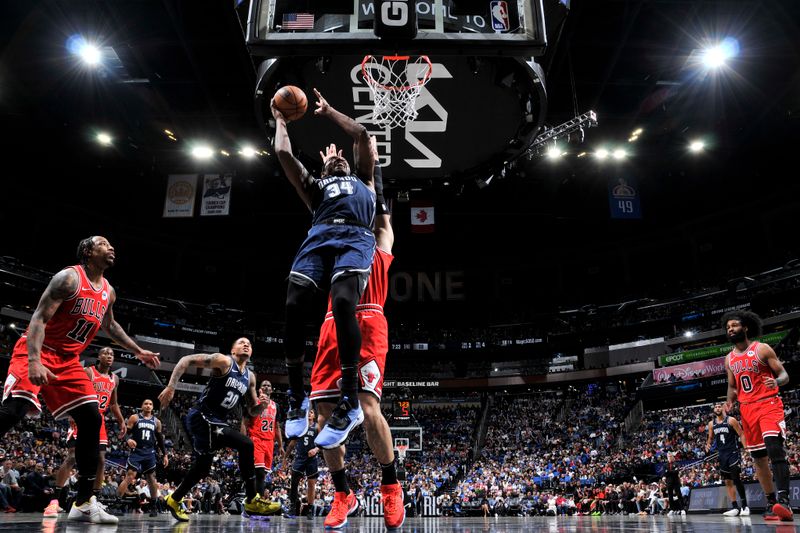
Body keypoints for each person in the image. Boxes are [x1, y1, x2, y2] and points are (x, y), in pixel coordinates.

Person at [0, 235, 160, 524]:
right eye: (104, 244)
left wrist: (138, 351)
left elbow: (110, 325)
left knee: (91, 418)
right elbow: (38, 319)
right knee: (13, 412)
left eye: (112, 245)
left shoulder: (108, 291)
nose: (111, 247)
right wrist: (35, 360)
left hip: (68, 361)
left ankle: (84, 502)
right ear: (88, 251)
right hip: (37, 349)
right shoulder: (69, 278)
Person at [271, 88, 378, 447]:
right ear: (323, 168)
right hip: (319, 235)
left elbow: (362, 135)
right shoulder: (315, 188)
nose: (339, 160)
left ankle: (350, 399)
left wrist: (330, 111)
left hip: (356, 238)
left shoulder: (365, 179)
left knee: (344, 303)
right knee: (293, 304)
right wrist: (281, 120)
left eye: (342, 160)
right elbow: (283, 152)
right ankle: (297, 396)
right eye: (333, 162)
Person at [311, 140, 403, 530]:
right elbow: (323, 204)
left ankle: (390, 484)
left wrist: (374, 170)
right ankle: (342, 491)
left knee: (367, 406)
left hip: (368, 323)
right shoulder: (331, 234)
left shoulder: (379, 243)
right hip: (332, 324)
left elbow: (381, 213)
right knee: (325, 415)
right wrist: (332, 170)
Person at [158, 337, 281, 521]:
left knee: (202, 468)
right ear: (232, 350)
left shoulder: (250, 377)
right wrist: (171, 386)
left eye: (249, 343)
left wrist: (262, 406)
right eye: (241, 342)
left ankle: (174, 499)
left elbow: (252, 410)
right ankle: (252, 499)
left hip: (216, 421)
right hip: (201, 416)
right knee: (246, 444)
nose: (246, 344)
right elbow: (186, 361)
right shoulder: (224, 361)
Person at [724, 310, 793, 521]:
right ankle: (772, 503)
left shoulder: (762, 349)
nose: (731, 329)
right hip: (747, 410)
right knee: (759, 459)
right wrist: (729, 401)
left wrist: (777, 382)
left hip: (768, 403)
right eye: (728, 327)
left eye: (734, 325)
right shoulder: (729, 358)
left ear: (745, 327)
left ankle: (784, 502)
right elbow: (732, 386)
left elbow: (784, 374)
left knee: (774, 446)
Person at [46, 346, 125, 517]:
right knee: (73, 456)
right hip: (82, 415)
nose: (109, 356)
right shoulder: (88, 372)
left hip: (100, 419)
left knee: (101, 460)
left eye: (112, 354)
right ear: (99, 356)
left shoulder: (115, 379)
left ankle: (93, 500)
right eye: (105, 353)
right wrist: (72, 413)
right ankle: (54, 501)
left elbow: (113, 404)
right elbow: (73, 392)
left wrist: (121, 420)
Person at [116, 399, 168, 517]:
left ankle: (154, 505)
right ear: (142, 406)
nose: (148, 406)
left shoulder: (156, 422)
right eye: (146, 403)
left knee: (151, 479)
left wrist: (165, 454)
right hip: (137, 451)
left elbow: (160, 440)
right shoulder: (135, 418)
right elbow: (125, 432)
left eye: (150, 404)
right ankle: (117, 503)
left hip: (150, 453)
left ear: (153, 407)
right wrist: (128, 439)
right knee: (130, 476)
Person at [706, 402, 749, 516]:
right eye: (715, 406)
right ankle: (735, 507)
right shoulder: (711, 424)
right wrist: (708, 444)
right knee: (727, 481)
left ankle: (745, 506)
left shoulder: (731, 420)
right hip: (722, 455)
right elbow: (710, 437)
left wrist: (746, 449)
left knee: (736, 478)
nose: (717, 408)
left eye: (719, 406)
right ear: (714, 410)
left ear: (723, 408)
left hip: (733, 452)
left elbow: (741, 434)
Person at [241, 380, 284, 497]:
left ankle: (254, 500)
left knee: (263, 474)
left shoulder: (276, 406)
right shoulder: (254, 402)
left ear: (271, 390)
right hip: (256, 440)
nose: (266, 387)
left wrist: (280, 445)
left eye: (268, 385)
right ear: (260, 388)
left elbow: (276, 426)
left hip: (270, 443)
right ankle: (255, 501)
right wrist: (242, 442)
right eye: (263, 385)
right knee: (258, 473)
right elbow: (245, 422)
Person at [282, 409, 320, 519]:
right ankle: (293, 508)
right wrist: (285, 458)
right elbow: (292, 444)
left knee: (311, 484)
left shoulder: (317, 427)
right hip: (300, 458)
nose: (309, 414)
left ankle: (310, 508)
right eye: (307, 412)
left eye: (312, 412)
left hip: (312, 458)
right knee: (294, 483)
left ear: (314, 415)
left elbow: (323, 442)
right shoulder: (300, 427)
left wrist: (316, 449)